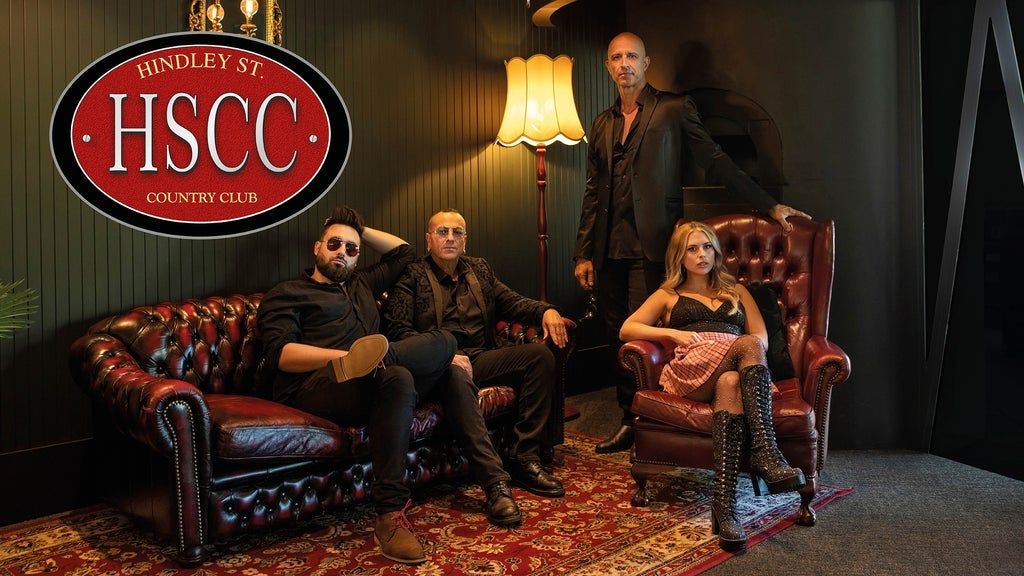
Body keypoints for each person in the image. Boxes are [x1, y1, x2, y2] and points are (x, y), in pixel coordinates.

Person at [573, 32, 811, 454]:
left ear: (646, 62)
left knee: (649, 333)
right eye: (616, 57)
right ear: (608, 66)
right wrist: (583, 253)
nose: (624, 63)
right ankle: (630, 419)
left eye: (632, 56)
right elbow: (594, 192)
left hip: (655, 244)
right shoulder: (602, 123)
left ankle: (651, 418)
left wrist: (769, 204)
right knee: (616, 336)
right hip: (609, 247)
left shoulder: (673, 109)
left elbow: (715, 159)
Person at [257, 206, 523, 566]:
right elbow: (281, 355)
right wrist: (346, 357)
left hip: (374, 379)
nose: (342, 252)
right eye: (334, 244)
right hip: (319, 384)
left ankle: (494, 483)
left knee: (447, 357)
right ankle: (390, 513)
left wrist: (359, 228)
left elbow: (403, 253)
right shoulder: (288, 293)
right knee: (405, 371)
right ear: (317, 247)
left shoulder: (361, 284)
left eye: (351, 249)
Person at [619, 221, 805, 552]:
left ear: (716, 252)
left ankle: (725, 506)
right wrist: (672, 334)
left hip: (733, 366)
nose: (701, 254)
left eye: (707, 247)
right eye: (692, 249)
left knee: (733, 379)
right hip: (693, 370)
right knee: (747, 346)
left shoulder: (737, 291)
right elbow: (627, 328)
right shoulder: (668, 295)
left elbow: (760, 338)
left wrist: (737, 355)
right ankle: (765, 453)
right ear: (679, 256)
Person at [384, 208, 569, 499]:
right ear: (428, 239)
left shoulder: (479, 269)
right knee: (455, 372)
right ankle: (494, 480)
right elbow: (398, 330)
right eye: (442, 232)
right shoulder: (412, 275)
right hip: (439, 367)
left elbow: (512, 301)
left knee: (540, 356)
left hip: (480, 357)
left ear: (465, 240)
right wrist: (442, 355)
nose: (450, 238)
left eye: (457, 232)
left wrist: (546, 310)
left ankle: (524, 457)